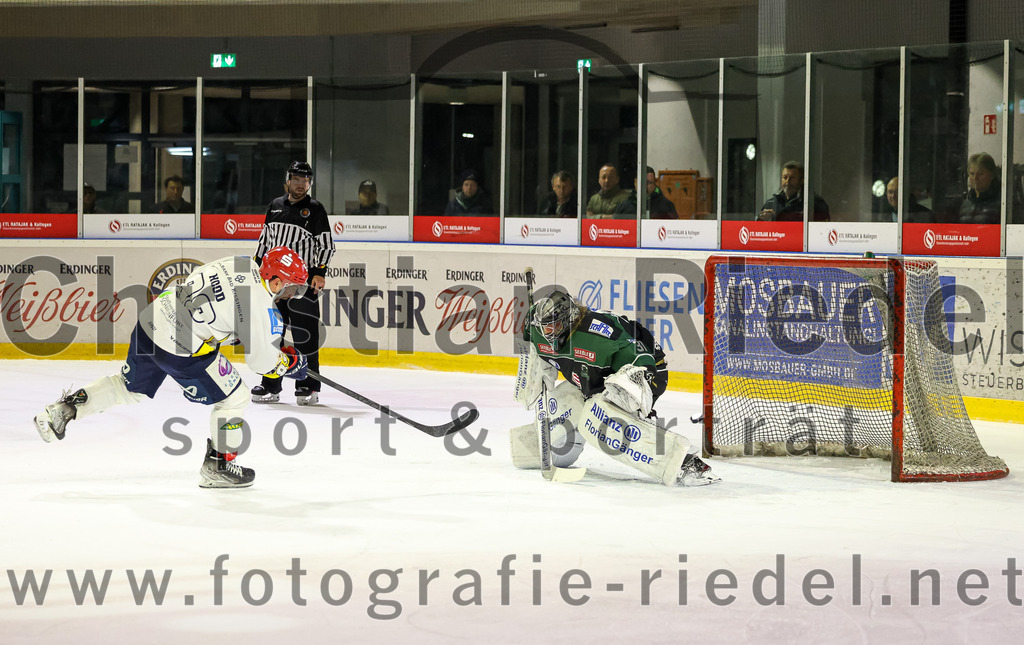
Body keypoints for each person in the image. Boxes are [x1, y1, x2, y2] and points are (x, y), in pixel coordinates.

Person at [33, 247, 312, 488]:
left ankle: (63, 410)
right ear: (275, 281)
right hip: (179, 346)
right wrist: (289, 364)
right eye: (291, 287)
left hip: (153, 319)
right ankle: (218, 467)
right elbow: (262, 362)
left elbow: (225, 303)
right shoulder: (261, 305)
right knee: (234, 398)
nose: (291, 293)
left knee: (128, 388)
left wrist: (258, 339)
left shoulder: (241, 262)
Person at [511, 288, 720, 486]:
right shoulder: (538, 328)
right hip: (593, 379)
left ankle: (687, 463)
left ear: (568, 320)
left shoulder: (597, 335)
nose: (547, 333)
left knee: (607, 415)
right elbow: (529, 331)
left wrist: (629, 395)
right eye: (544, 327)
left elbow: (641, 356)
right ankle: (540, 447)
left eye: (553, 326)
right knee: (570, 404)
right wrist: (531, 367)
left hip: (643, 371)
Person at [250, 161, 335, 406]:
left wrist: (319, 271)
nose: (301, 184)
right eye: (297, 179)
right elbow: (264, 243)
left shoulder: (315, 209)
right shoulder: (275, 206)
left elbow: (327, 246)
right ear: (287, 180)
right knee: (272, 334)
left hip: (302, 283)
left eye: (305, 180)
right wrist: (256, 271)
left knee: (305, 335)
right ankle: (271, 384)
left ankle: (308, 384)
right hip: (275, 284)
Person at [756, 161, 829, 222]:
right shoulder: (771, 203)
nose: (787, 181)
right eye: (785, 177)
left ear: (802, 180)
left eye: (792, 178)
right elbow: (759, 231)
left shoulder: (814, 202)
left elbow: (821, 229)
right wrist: (762, 220)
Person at [614, 166, 679, 219]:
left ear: (655, 184)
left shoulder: (666, 206)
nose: (645, 186)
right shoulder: (624, 206)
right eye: (642, 182)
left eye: (649, 183)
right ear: (635, 182)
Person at [959, 152, 1001, 224]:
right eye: (972, 174)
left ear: (992, 175)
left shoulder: (1003, 202)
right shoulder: (965, 203)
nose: (975, 178)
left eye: (980, 174)